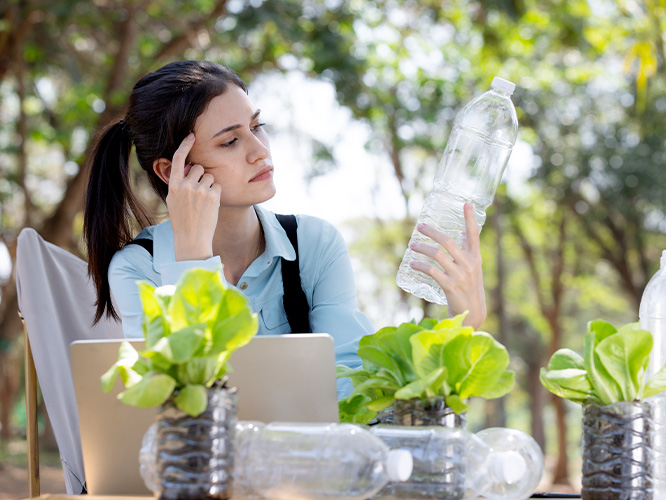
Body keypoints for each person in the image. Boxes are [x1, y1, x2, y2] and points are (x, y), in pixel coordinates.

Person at [84, 60, 487, 394]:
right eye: (230, 142)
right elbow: (187, 403)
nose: (261, 151)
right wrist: (192, 257)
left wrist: (464, 319)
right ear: (172, 170)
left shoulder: (314, 243)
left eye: (256, 127)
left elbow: (355, 384)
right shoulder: (138, 268)